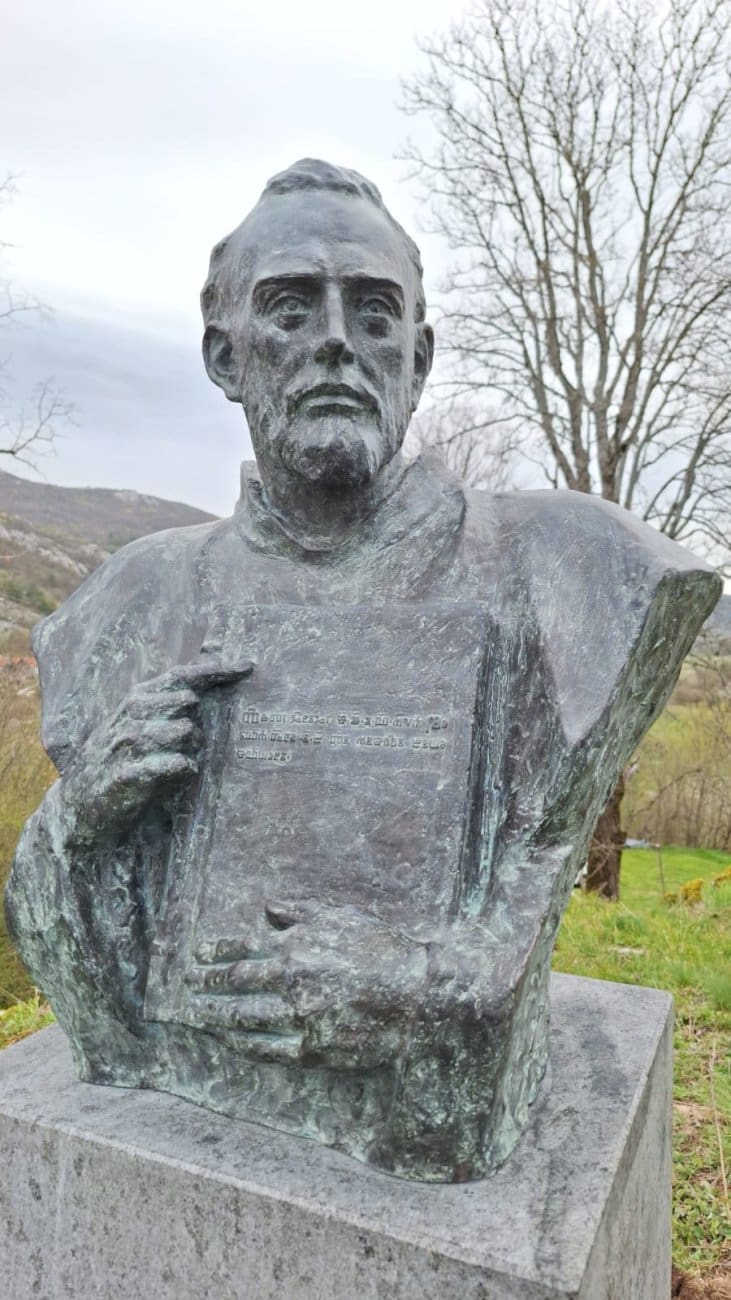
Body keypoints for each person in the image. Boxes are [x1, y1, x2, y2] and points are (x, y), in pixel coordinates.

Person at [5, 160, 720, 1181]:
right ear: (225, 355)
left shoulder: (579, 568)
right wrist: (80, 821)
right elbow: (83, 982)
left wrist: (415, 987)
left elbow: (516, 905)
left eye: (374, 312)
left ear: (416, 361)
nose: (337, 339)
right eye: (291, 307)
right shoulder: (127, 602)